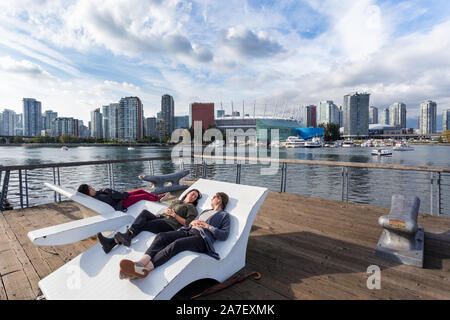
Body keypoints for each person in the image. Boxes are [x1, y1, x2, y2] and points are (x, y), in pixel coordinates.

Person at [118, 192, 230, 280]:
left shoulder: (224, 215)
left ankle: (145, 270)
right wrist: (192, 223)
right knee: (162, 236)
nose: (211, 199)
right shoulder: (206, 211)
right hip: (189, 231)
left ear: (219, 199)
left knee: (176, 244)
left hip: (201, 239)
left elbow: (224, 235)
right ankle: (139, 264)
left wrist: (208, 226)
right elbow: (190, 222)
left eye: (214, 197)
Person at [96, 189, 202, 253]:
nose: (192, 196)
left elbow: (188, 223)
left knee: (143, 224)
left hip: (170, 225)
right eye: (192, 194)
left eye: (195, 196)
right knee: (144, 213)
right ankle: (122, 238)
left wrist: (174, 215)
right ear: (187, 194)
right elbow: (166, 213)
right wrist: (163, 213)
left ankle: (115, 241)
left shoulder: (191, 207)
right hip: (162, 218)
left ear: (195, 199)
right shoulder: (177, 201)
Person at [77, 184, 166, 212]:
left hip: (120, 198)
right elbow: (112, 200)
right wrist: (123, 196)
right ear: (87, 194)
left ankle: (156, 197)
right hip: (121, 203)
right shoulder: (98, 198)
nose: (92, 188)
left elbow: (113, 195)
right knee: (143, 196)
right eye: (90, 189)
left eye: (90, 187)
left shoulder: (96, 194)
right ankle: (157, 199)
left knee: (140, 191)